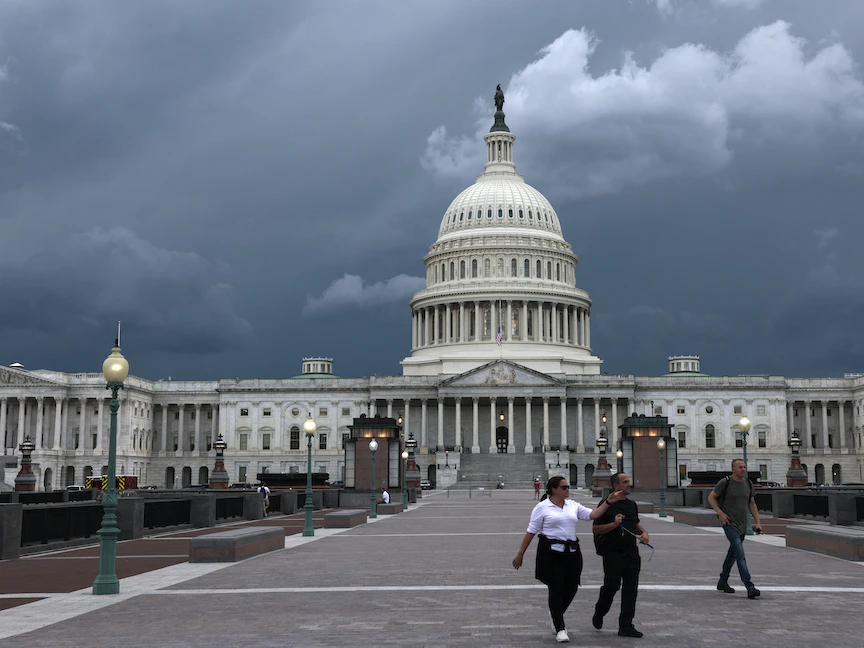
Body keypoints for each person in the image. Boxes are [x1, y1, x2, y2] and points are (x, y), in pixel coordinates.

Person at [512, 475, 623, 644]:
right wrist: (520, 554)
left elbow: (592, 515)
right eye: (564, 487)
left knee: (572, 587)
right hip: (552, 553)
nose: (567, 490)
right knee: (556, 588)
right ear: (553, 489)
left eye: (567, 487)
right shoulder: (542, 507)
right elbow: (531, 531)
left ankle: (555, 613)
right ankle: (560, 628)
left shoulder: (572, 505)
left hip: (572, 553)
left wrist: (608, 501)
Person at [592, 472, 649, 638]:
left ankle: (626, 625)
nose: (629, 484)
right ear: (616, 486)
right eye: (625, 482)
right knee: (611, 587)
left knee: (631, 590)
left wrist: (644, 533)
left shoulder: (631, 505)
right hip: (612, 553)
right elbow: (595, 529)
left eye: (628, 481)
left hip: (631, 553)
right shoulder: (606, 504)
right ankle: (600, 611)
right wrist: (614, 524)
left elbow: (635, 523)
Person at [708, 458, 763, 598]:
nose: (743, 469)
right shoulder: (725, 482)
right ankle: (749, 586)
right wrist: (720, 513)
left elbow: (752, 503)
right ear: (733, 469)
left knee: (732, 554)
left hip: (742, 525)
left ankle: (722, 581)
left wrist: (758, 522)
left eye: (744, 467)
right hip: (729, 524)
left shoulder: (748, 484)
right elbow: (711, 497)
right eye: (740, 467)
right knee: (740, 554)